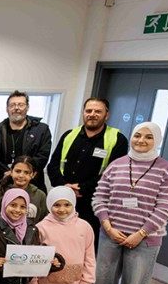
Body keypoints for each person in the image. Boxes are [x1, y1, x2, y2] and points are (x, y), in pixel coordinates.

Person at [90, 122, 168, 284]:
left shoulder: (166, 170)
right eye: (138, 135)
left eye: (148, 137)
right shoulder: (116, 165)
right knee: (104, 279)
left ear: (157, 141)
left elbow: (167, 206)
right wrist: (107, 226)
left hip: (145, 239)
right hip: (111, 233)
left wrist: (141, 233)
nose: (141, 140)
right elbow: (100, 196)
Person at [47, 97, 129, 249]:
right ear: (83, 113)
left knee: (86, 247)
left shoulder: (117, 139)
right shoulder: (69, 135)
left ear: (107, 114)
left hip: (93, 204)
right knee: (58, 244)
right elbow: (53, 165)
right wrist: (65, 186)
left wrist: (82, 188)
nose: (92, 114)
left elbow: (113, 174)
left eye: (98, 111)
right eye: (88, 111)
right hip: (64, 200)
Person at [0, 90, 52, 194]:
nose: (16, 108)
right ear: (7, 109)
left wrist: (20, 172)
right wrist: (10, 173)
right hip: (1, 186)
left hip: (32, 186)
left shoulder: (42, 130)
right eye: (12, 105)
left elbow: (42, 156)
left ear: (27, 107)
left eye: (21, 105)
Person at [0, 157, 48, 224]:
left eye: (26, 172)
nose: (21, 175)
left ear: (33, 174)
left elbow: (43, 222)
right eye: (18, 171)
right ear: (11, 172)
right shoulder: (1, 191)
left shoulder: (40, 195)